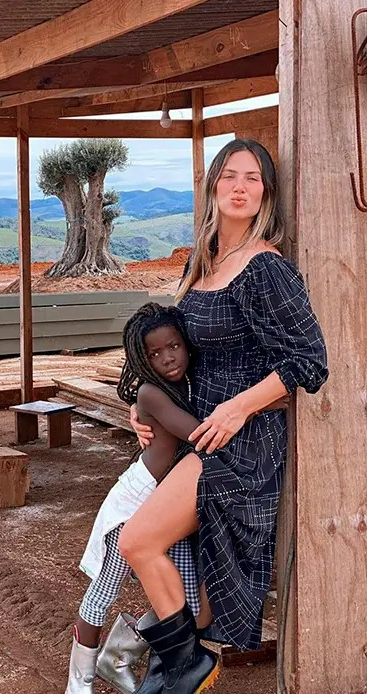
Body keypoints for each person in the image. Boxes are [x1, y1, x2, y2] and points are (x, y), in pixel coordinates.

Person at [118, 139, 328, 694]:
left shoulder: (266, 268)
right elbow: (174, 347)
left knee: (138, 541)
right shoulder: (203, 261)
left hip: (243, 440)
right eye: (230, 175)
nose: (240, 186)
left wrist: (238, 408)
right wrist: (147, 408)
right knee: (177, 565)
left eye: (253, 178)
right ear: (213, 185)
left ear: (266, 193)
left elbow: (309, 361)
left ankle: (184, 663)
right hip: (201, 431)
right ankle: (174, 663)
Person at [66, 303, 203, 694]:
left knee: (186, 599)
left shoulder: (186, 382)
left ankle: (117, 658)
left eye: (174, 346)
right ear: (143, 360)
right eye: (155, 353)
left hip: (170, 505)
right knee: (104, 592)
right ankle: (78, 682)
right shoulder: (151, 392)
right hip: (134, 503)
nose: (168, 358)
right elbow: (197, 433)